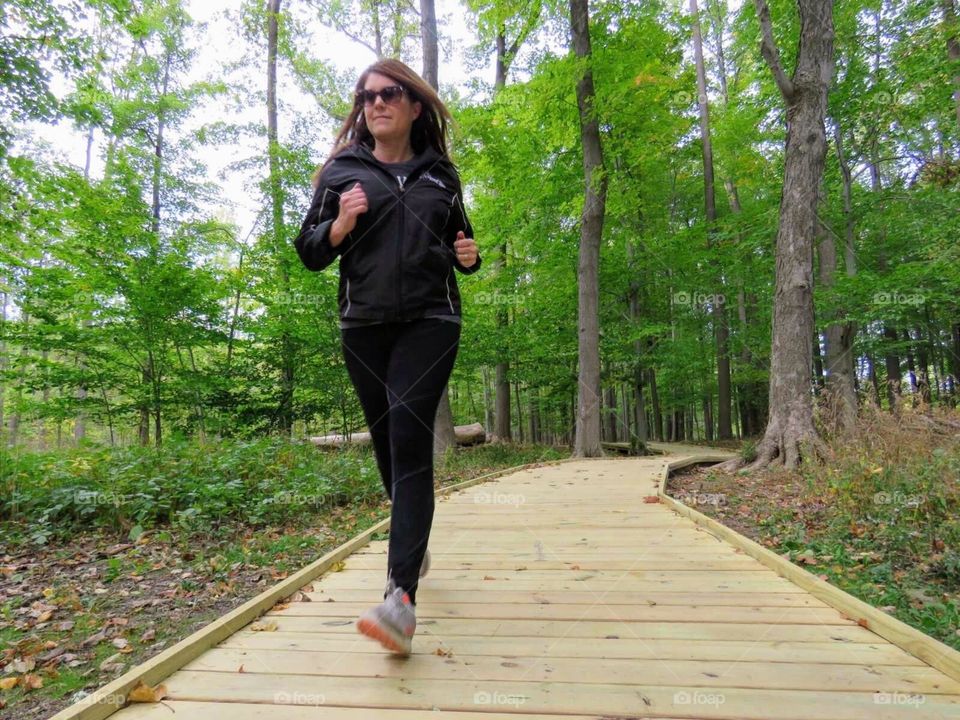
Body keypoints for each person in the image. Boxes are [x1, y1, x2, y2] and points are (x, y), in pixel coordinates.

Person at [293, 58, 481, 656]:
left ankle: (400, 599)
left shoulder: (442, 176)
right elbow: (309, 252)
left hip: (431, 321)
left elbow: (460, 244)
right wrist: (341, 224)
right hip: (364, 324)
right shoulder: (340, 172)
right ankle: (413, 539)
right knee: (385, 439)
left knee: (408, 431)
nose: (377, 103)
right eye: (367, 96)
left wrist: (469, 257)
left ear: (414, 105)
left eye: (390, 93)